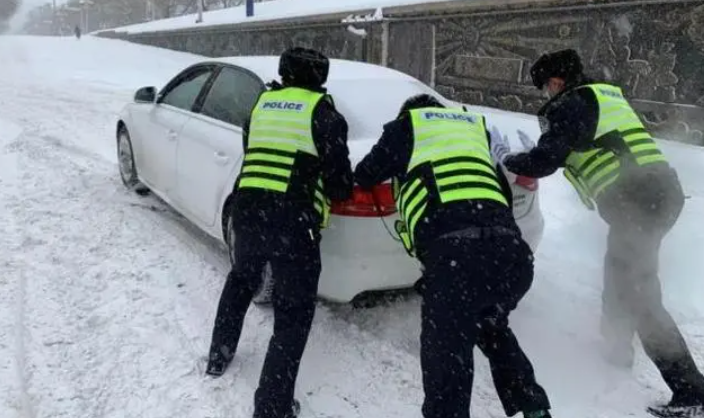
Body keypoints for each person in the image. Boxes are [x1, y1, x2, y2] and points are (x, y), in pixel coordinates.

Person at [492, 48, 704, 417]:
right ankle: (617, 344)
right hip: (657, 195)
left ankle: (692, 392)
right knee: (619, 270)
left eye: (545, 86)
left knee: (641, 297)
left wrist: (506, 159)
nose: (546, 94)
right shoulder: (602, 95)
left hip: (639, 203)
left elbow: (546, 159)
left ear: (556, 82)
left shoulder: (571, 104)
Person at [354, 94, 552, 418]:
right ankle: (536, 411)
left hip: (455, 259)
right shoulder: (474, 130)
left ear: (411, 114)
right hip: (512, 257)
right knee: (491, 327)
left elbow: (365, 173)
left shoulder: (408, 126)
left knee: (446, 360)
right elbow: (500, 189)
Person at [206, 47, 353, 418]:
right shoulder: (325, 114)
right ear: (321, 78)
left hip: (247, 209)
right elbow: (339, 187)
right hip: (293, 223)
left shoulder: (262, 104)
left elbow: (254, 149)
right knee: (293, 313)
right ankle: (272, 406)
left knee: (241, 279)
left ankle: (218, 356)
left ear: (284, 73)